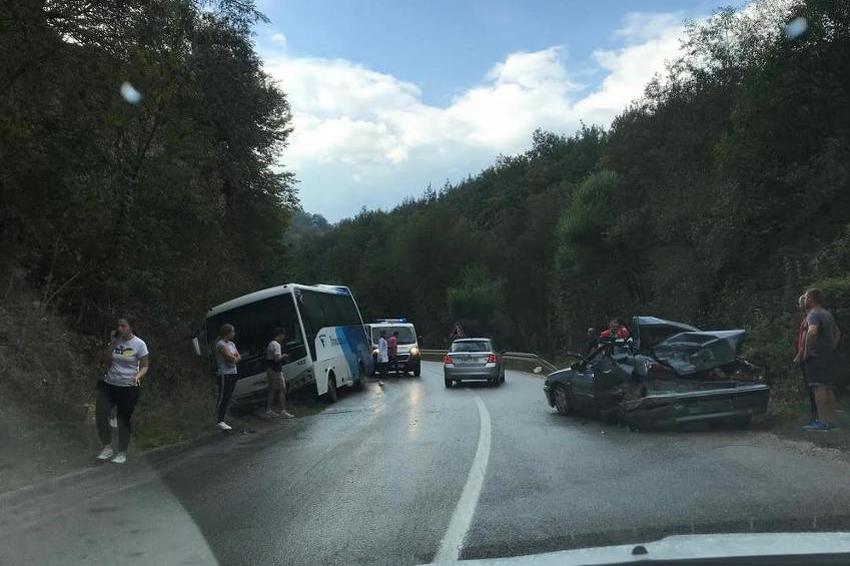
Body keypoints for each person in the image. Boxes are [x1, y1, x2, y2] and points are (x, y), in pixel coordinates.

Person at [95, 317, 149, 464]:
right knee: (100, 413)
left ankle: (122, 452)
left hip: (128, 387)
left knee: (123, 419)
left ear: (131, 327)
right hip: (110, 383)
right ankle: (107, 447)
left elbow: (145, 365)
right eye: (118, 326)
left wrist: (138, 376)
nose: (120, 328)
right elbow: (106, 360)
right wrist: (112, 342)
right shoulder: (115, 342)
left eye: (123, 326)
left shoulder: (139, 344)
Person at [801, 288, 842, 432]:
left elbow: (812, 332)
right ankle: (831, 421)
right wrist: (831, 347)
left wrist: (807, 351)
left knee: (818, 387)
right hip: (828, 356)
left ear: (811, 299)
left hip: (816, 357)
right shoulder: (827, 313)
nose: (804, 299)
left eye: (806, 297)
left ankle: (822, 421)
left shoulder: (813, 314)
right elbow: (837, 332)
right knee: (828, 387)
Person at [793, 294, 817, 425]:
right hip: (807, 355)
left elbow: (807, 336)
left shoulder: (810, 318)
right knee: (811, 386)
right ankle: (815, 415)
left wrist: (801, 353)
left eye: (801, 302)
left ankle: (816, 416)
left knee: (812, 386)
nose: (800, 305)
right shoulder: (808, 317)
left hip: (807, 356)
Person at [215, 324, 241, 431]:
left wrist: (234, 357)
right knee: (223, 396)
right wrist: (234, 357)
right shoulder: (220, 344)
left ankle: (222, 419)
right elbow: (230, 358)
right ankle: (219, 420)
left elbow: (238, 357)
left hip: (233, 372)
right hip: (224, 373)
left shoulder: (232, 344)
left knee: (229, 396)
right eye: (232, 332)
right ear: (227, 333)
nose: (234, 334)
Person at [266, 327, 294, 419]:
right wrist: (284, 356)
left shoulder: (271, 343)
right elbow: (277, 358)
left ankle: (269, 410)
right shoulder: (277, 345)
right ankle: (283, 410)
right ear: (280, 335)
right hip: (276, 370)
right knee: (282, 389)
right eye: (283, 335)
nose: (284, 337)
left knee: (272, 390)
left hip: (270, 369)